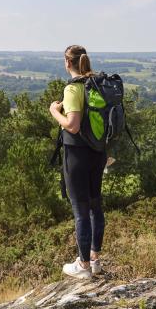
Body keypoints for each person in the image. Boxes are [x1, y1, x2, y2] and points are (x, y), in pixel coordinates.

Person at [49, 44, 107, 280]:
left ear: (67, 62)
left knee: (80, 210)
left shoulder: (73, 89)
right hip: (98, 152)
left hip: (77, 156)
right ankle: (94, 260)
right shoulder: (97, 84)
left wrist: (54, 111)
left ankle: (83, 266)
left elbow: (72, 125)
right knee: (95, 206)